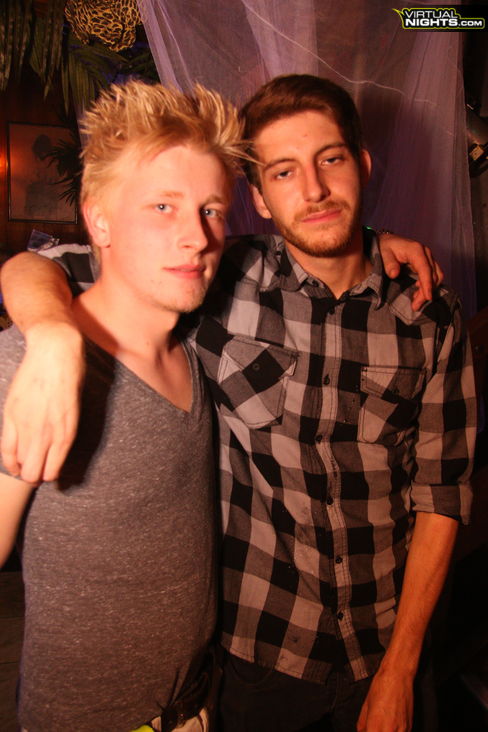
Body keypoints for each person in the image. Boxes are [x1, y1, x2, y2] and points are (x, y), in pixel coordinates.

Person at [0, 75, 462, 732]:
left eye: (330, 159)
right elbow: (51, 263)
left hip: (328, 667)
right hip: (241, 666)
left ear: (361, 166)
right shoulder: (211, 288)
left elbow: (442, 492)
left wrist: (402, 669)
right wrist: (47, 333)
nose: (313, 189)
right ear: (262, 199)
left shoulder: (422, 312)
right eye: (283, 171)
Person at [0, 79, 243, 732]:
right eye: (163, 206)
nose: (196, 237)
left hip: (195, 705)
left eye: (212, 210)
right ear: (99, 220)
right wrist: (47, 337)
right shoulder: (31, 363)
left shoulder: (192, 350)